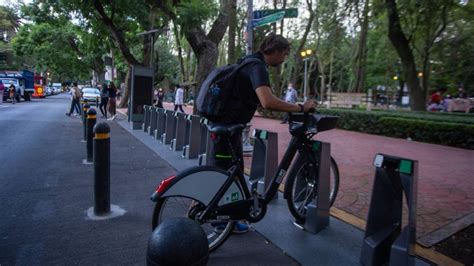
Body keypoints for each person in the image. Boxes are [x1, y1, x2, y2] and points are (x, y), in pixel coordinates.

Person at [208, 34, 316, 234]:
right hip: (228, 127)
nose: (283, 59)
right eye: (283, 54)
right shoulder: (257, 67)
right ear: (273, 51)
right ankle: (218, 220)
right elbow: (268, 101)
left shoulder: (248, 62)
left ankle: (231, 217)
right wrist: (300, 107)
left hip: (230, 126)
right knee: (224, 175)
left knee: (233, 172)